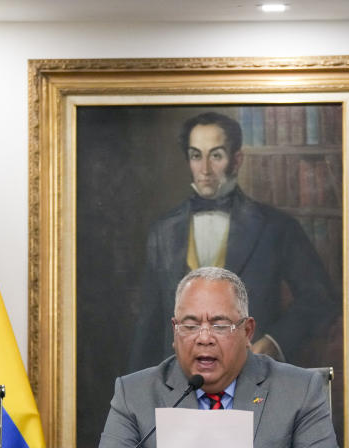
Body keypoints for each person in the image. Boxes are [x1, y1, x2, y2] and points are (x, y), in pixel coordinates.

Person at [127, 111, 338, 371]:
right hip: (179, 384)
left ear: (237, 160)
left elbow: (320, 298)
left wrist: (272, 342)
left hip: (252, 376)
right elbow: (148, 326)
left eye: (216, 155)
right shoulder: (163, 231)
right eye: (196, 156)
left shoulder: (275, 226)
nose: (204, 169)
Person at [98, 267, 339, 448]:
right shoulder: (133, 395)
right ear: (175, 331)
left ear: (247, 331)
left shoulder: (300, 392)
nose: (204, 338)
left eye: (220, 325)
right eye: (190, 325)